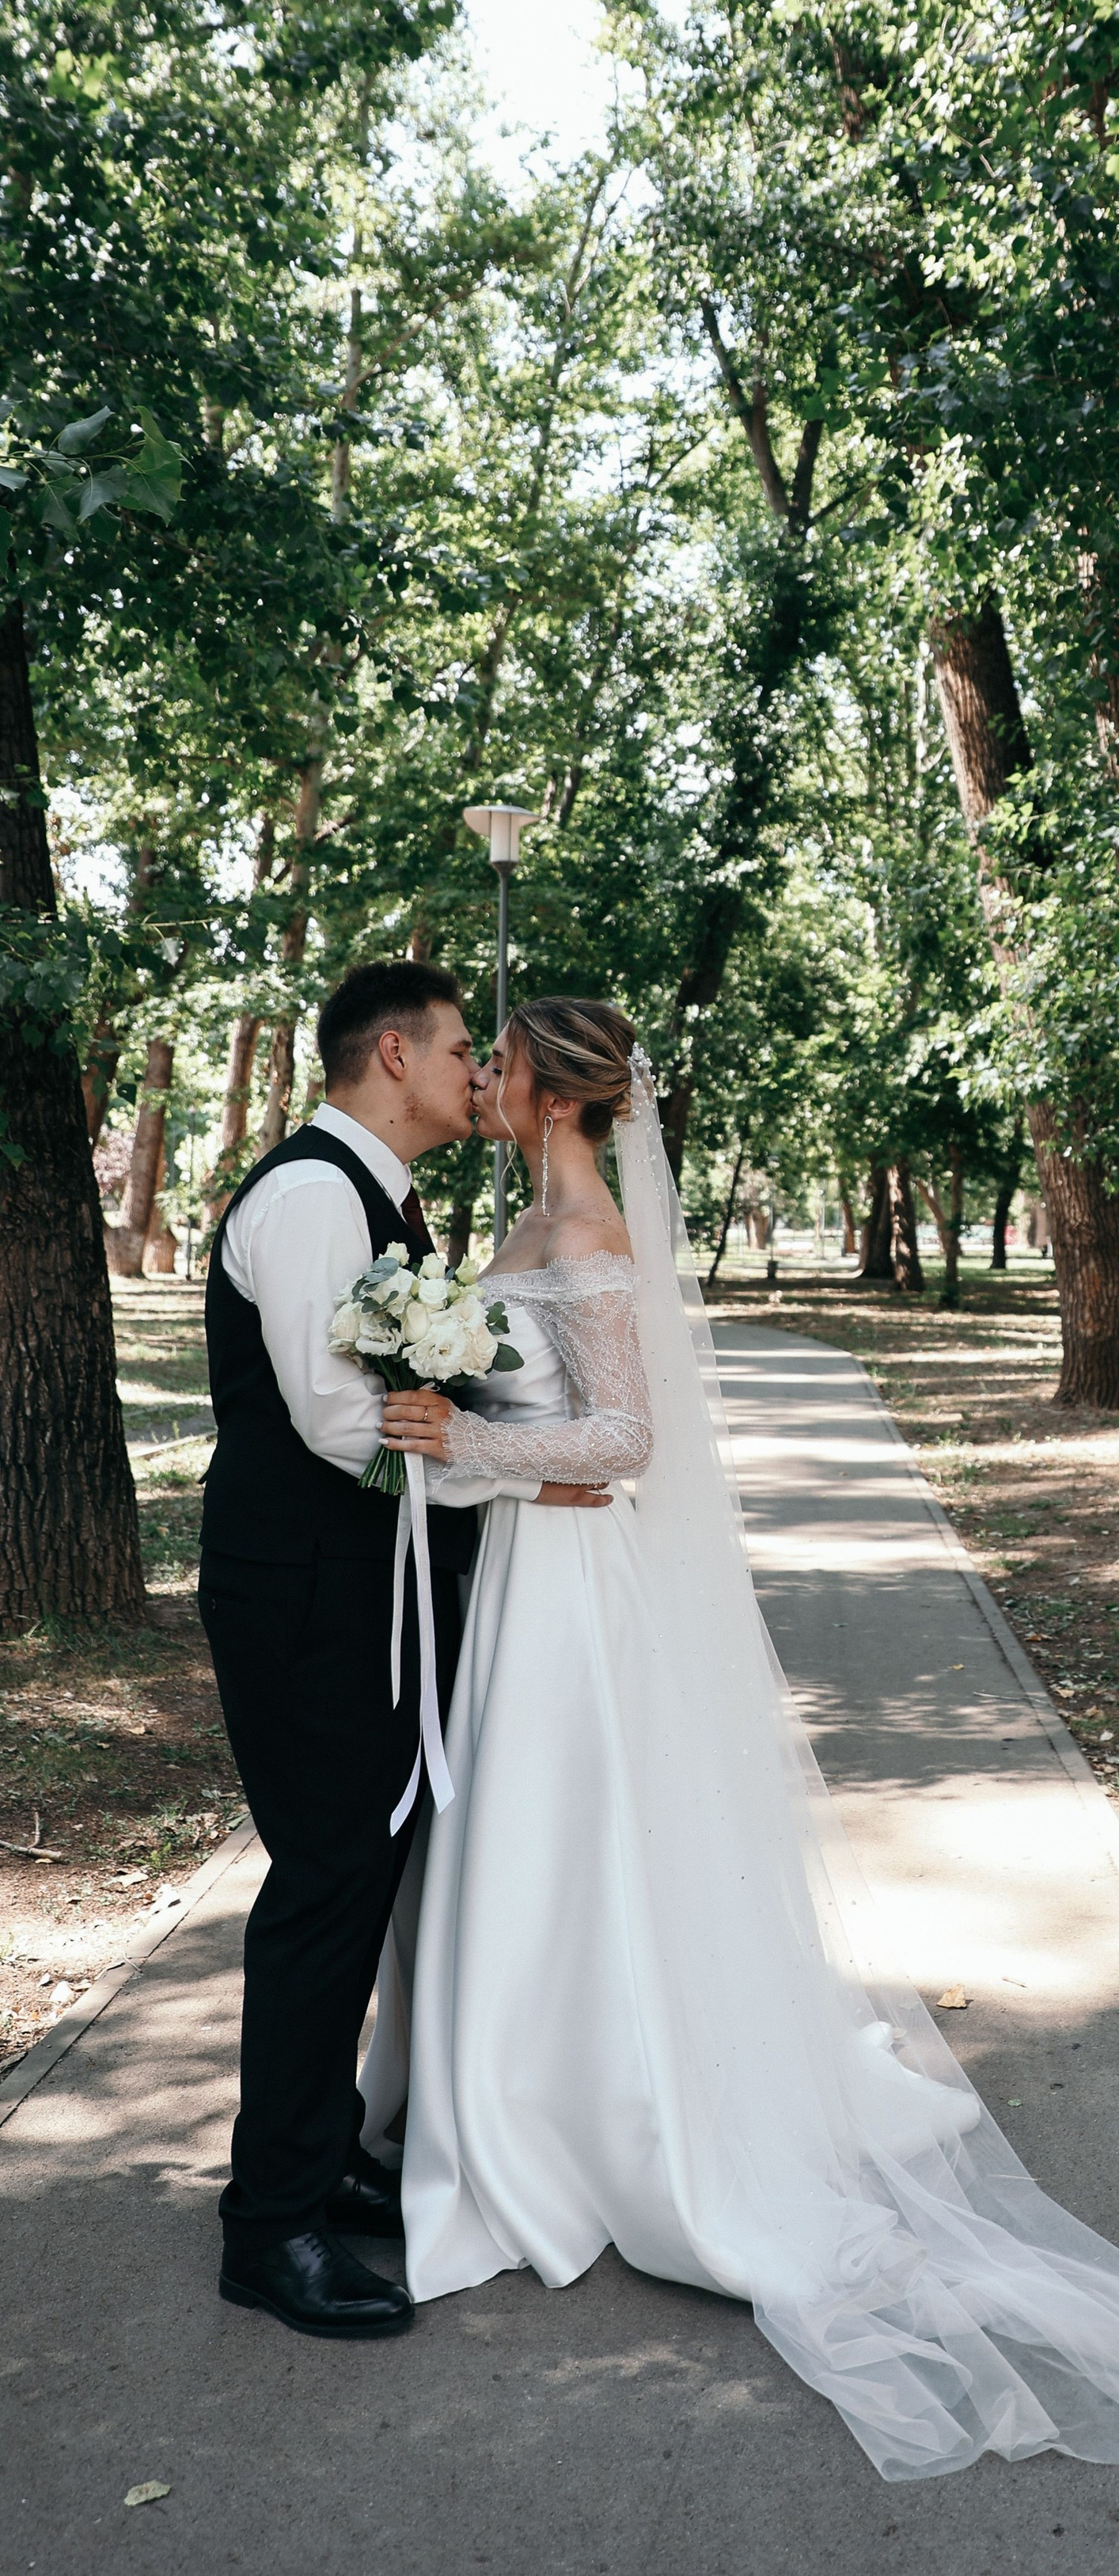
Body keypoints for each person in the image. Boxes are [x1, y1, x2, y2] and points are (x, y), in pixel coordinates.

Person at [369, 996, 1119, 2479]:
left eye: (503, 1063)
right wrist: (463, 1430)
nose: (487, 1081)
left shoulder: (583, 1246)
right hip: (528, 1573)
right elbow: (551, 1416)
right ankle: (507, 2100)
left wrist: (472, 1444)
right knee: (536, 1840)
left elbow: (624, 1442)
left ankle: (577, 2118)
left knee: (575, 1835)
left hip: (576, 1586)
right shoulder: (519, 1234)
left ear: (563, 1098)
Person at [199, 961, 605, 2342]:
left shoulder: (380, 1193)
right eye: (454, 1053)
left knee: (360, 1875)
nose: (471, 1077)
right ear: (392, 1055)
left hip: (361, 1594)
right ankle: (271, 2232)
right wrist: (507, 1470)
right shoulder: (318, 1194)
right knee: (326, 1887)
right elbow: (334, 1422)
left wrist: (487, 1455)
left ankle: (310, 2168)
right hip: (309, 1599)